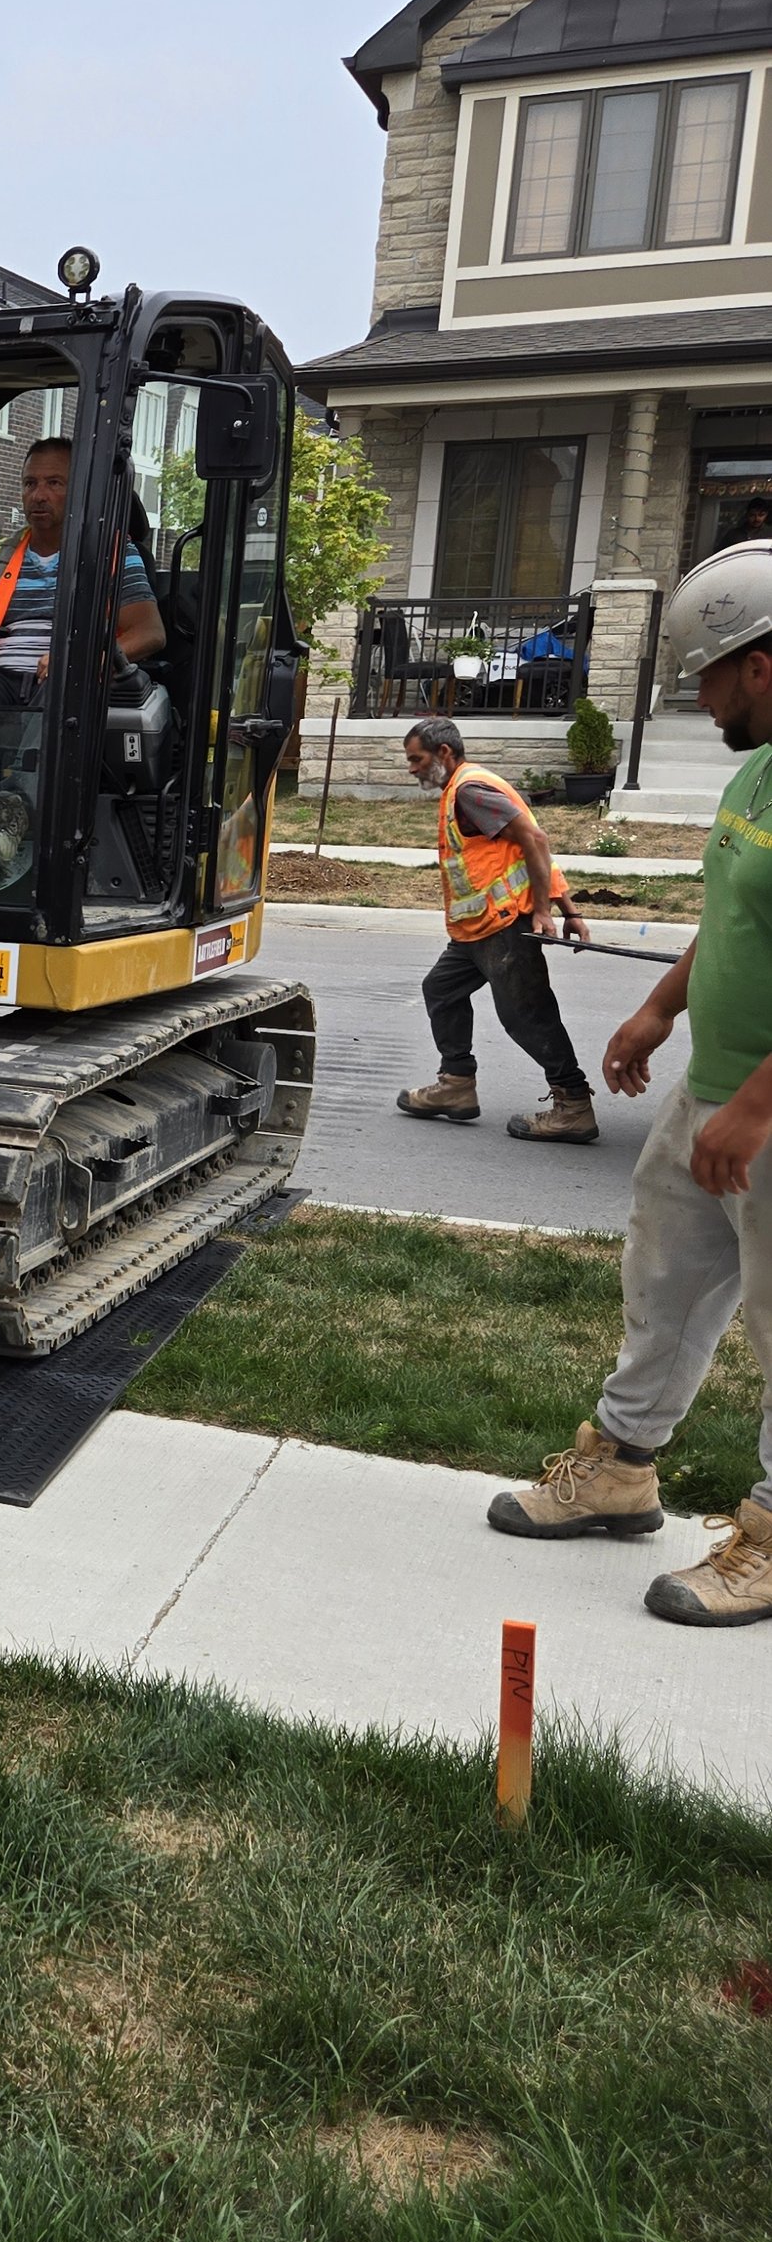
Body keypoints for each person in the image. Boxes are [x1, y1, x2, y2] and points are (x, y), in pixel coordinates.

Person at [492, 544, 772, 1623]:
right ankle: (619, 1468)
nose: (696, 701)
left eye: (705, 675)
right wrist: (663, 1007)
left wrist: (754, 1108)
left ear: (760, 663)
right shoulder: (758, 770)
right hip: (717, 1093)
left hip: (761, 1108)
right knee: (665, 1285)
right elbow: (733, 916)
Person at [395, 714, 595, 1141]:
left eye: (417, 759)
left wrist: (547, 910)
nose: (411, 768)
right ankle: (456, 1086)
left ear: (444, 753)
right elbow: (531, 846)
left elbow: (536, 842)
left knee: (527, 1016)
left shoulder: (470, 791)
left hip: (502, 926)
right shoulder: (468, 787)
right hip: (476, 931)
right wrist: (570, 910)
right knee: (441, 990)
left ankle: (574, 1104)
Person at [0, 435, 163, 710]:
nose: (38, 495)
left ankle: (31, 756)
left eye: (54, 483)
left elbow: (150, 632)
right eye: (30, 484)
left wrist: (81, 657)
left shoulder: (114, 553)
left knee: (65, 686)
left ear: (80, 491)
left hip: (68, 675)